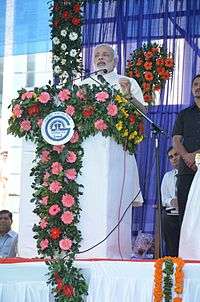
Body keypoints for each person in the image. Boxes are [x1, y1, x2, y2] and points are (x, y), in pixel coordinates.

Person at [76, 44, 145, 259]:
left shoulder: (126, 82)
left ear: (115, 60)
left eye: (105, 54)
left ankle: (117, 252)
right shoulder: (83, 84)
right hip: (88, 158)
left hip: (117, 155)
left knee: (115, 205)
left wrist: (128, 97)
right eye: (97, 55)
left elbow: (142, 112)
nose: (100, 58)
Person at [172, 74, 200, 225]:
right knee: (185, 210)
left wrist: (195, 155)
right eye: (195, 84)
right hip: (186, 168)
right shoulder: (184, 114)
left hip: (195, 162)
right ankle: (186, 248)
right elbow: (176, 139)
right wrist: (187, 157)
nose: (197, 87)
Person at [161, 146, 180, 256]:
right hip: (175, 210)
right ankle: (173, 255)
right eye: (170, 157)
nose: (173, 158)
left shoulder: (193, 174)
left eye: (176, 154)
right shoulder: (167, 176)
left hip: (190, 211)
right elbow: (164, 199)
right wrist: (171, 201)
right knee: (166, 216)